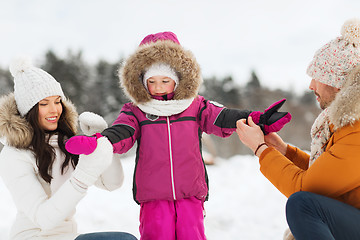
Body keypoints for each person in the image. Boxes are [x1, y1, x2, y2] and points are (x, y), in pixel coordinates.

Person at [65, 31, 291, 240]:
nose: (158, 88)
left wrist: (259, 119)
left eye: (165, 81)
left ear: (178, 79)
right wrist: (98, 142)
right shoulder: (136, 110)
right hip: (153, 196)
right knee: (157, 234)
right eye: (151, 82)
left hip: (190, 193)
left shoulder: (195, 106)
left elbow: (223, 118)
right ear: (142, 81)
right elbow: (123, 132)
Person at [236, 18, 360, 240]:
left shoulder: (357, 131)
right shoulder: (349, 124)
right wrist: (283, 150)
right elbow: (323, 177)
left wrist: (260, 149)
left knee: (302, 206)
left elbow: (305, 189)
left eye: (318, 77)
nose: (311, 85)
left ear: (337, 82)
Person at [0, 58, 137, 240]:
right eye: (44, 104)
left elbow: (112, 183)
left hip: (68, 236)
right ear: (29, 110)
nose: (54, 110)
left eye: (57, 101)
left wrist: (103, 140)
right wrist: (84, 174)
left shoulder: (63, 143)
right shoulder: (14, 154)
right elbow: (44, 218)